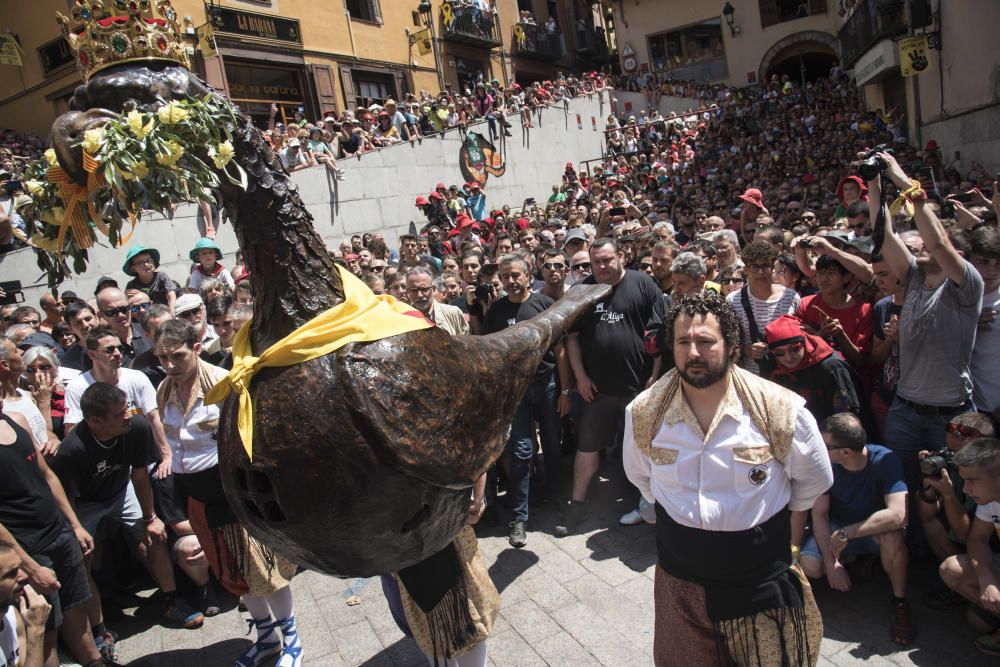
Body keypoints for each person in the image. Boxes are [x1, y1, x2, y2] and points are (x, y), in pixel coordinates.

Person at [623, 291, 832, 666]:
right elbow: (642, 478)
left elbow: (813, 479)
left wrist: (771, 519)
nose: (693, 353)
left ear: (732, 346)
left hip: (759, 583)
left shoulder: (780, 410)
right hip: (679, 584)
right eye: (683, 342)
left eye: (705, 341)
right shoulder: (644, 412)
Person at [153, 320, 301, 667]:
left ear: (196, 348)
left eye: (177, 356)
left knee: (265, 573)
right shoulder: (164, 391)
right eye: (162, 358)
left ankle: (292, 642)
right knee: (235, 574)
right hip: (200, 500)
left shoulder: (224, 384)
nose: (170, 365)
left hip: (235, 495)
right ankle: (267, 638)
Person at [869, 151, 985, 515]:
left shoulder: (965, 286)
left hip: (950, 414)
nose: (914, 244)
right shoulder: (915, 278)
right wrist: (874, 185)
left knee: (956, 487)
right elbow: (882, 235)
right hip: (906, 408)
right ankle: (914, 548)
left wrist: (904, 181)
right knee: (902, 484)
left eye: (920, 239)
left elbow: (939, 244)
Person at [52, 383, 205, 631]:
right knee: (83, 559)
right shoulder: (73, 450)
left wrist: (150, 518)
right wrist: (77, 529)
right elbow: (64, 497)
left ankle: (170, 601)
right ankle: (99, 630)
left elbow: (140, 476)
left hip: (122, 491)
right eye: (118, 414)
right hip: (83, 504)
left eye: (127, 409)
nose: (128, 416)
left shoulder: (136, 426)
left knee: (154, 535)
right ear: (95, 421)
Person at [557, 238, 661, 535]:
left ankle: (647, 504)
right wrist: (580, 377)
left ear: (622, 257)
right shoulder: (581, 291)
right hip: (596, 390)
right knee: (587, 446)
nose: (601, 267)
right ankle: (576, 504)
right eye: (596, 262)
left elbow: (659, 334)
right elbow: (572, 338)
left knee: (642, 450)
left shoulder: (643, 284)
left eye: (607, 260)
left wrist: (653, 377)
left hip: (636, 388)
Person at [0, 404, 105, 667]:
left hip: (59, 532)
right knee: (46, 628)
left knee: (76, 607)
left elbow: (47, 475)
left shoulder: (16, 420)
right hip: (28, 549)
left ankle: (96, 662)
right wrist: (30, 568)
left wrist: (75, 525)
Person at [799, 413, 914, 645]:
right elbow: (819, 513)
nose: (819, 449)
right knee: (811, 565)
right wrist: (831, 565)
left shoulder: (884, 460)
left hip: (870, 529)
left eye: (826, 446)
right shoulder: (824, 465)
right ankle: (852, 562)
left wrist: (847, 533)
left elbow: (898, 514)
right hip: (837, 527)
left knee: (892, 535)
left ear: (846, 452)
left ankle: (899, 602)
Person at [481, 255, 568, 547]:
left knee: (553, 444)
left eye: (516, 275)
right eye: (505, 277)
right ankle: (519, 518)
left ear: (528, 275)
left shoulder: (544, 306)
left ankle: (558, 501)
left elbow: (562, 349)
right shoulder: (496, 311)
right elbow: (491, 354)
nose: (511, 281)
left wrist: (566, 390)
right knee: (520, 452)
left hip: (547, 385)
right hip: (515, 392)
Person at [62, 327, 173, 480]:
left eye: (120, 348)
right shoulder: (77, 387)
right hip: (105, 464)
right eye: (109, 350)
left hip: (143, 455)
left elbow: (154, 417)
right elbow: (72, 430)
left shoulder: (136, 377)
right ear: (92, 354)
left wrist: (166, 455)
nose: (117, 353)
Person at [938, 438, 1000, 655]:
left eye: (973, 480)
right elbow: (977, 539)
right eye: (964, 480)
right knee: (951, 570)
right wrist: (986, 578)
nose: (966, 489)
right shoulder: (991, 498)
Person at [764, 315, 862, 424]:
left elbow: (846, 415)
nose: (788, 357)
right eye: (780, 353)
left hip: (831, 432)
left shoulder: (831, 367)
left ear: (804, 343)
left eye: (795, 349)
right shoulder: (773, 366)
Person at [726, 241, 800, 376]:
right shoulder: (732, 301)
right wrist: (747, 350)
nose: (760, 272)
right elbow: (726, 343)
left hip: (788, 376)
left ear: (772, 268)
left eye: (765, 266)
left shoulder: (791, 297)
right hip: (750, 377)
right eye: (755, 266)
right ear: (746, 269)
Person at [0, 539, 51, 667]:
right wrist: (36, 629)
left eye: (20, 567)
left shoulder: (12, 616)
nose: (24, 576)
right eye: (12, 573)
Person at [95, 287, 153, 368]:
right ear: (101, 315)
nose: (121, 315)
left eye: (124, 309)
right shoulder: (100, 348)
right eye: (112, 312)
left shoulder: (149, 330)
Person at [404, 268, 468, 336]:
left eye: (424, 289)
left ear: (433, 289)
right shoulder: (402, 318)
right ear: (407, 291)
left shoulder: (453, 313)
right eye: (414, 290)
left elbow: (466, 343)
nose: (419, 295)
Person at [122, 245, 179, 313]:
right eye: (140, 263)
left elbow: (171, 294)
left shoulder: (161, 276)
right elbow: (126, 303)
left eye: (149, 260)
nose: (146, 265)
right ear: (133, 269)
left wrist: (172, 309)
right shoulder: (132, 285)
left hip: (165, 312)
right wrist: (126, 294)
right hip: (146, 316)